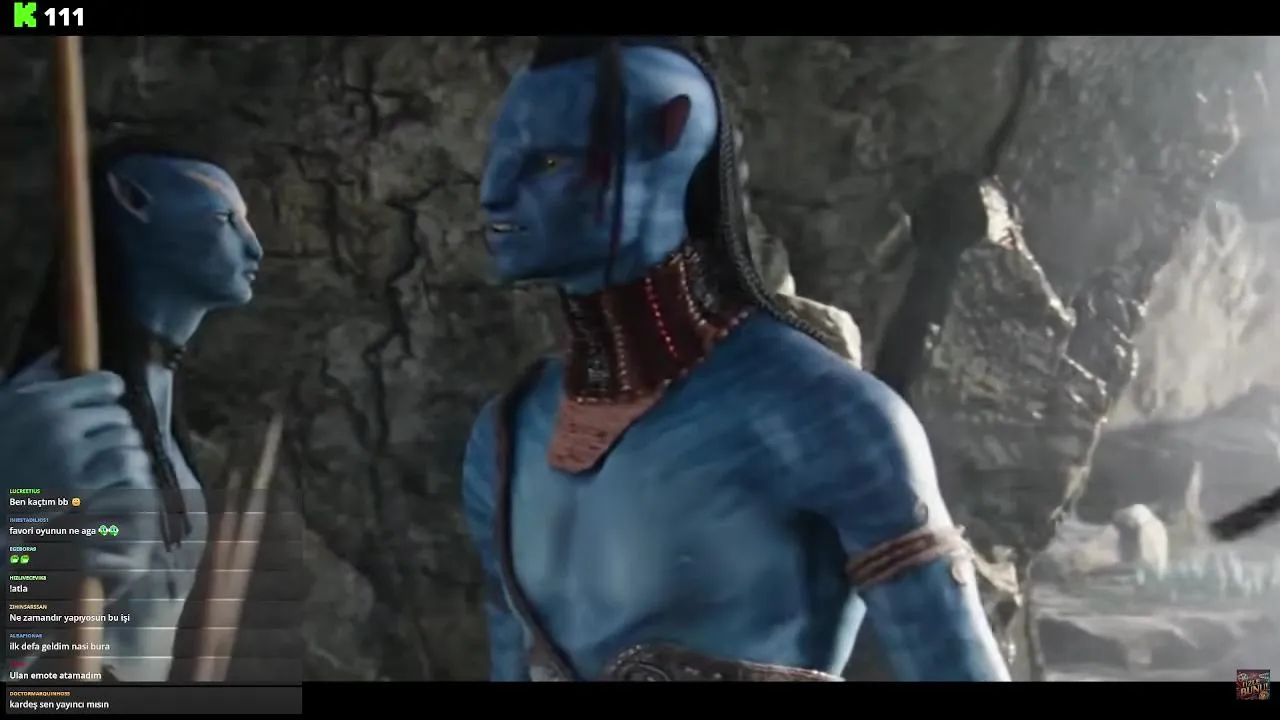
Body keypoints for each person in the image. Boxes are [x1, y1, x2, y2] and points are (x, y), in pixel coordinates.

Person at [461, 37, 1012, 682]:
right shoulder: (504, 438)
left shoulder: (824, 415)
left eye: (549, 161)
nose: (495, 193)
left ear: (669, 136)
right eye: (499, 160)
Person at [0, 138, 263, 682]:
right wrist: (24, 570)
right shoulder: (51, 418)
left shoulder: (158, 424)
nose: (253, 247)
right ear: (133, 202)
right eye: (224, 219)